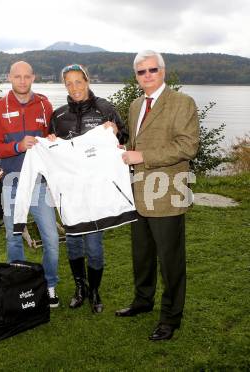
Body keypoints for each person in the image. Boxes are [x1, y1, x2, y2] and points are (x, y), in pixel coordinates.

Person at [118, 50, 199, 341]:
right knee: (142, 255)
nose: (147, 75)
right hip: (139, 194)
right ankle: (142, 301)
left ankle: (170, 317)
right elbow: (132, 144)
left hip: (167, 194)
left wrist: (143, 155)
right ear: (136, 76)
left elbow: (188, 146)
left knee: (170, 260)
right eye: (141, 72)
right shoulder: (135, 104)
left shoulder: (182, 103)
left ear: (163, 71)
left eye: (152, 70)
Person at [48, 64, 128, 313]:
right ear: (65, 86)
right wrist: (51, 143)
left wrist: (116, 131)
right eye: (69, 83)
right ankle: (79, 288)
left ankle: (94, 291)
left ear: (87, 81)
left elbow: (123, 138)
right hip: (71, 191)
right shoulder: (59, 116)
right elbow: (53, 152)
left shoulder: (105, 109)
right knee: (73, 243)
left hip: (97, 190)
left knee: (93, 245)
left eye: (78, 82)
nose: (75, 87)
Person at [0, 61, 60, 307]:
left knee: (51, 238)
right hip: (12, 181)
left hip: (40, 184)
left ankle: (50, 285)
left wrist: (52, 139)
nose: (22, 81)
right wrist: (17, 146)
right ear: (9, 77)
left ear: (33, 77)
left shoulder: (45, 104)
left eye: (26, 76)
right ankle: (18, 286)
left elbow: (54, 140)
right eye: (17, 76)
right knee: (13, 237)